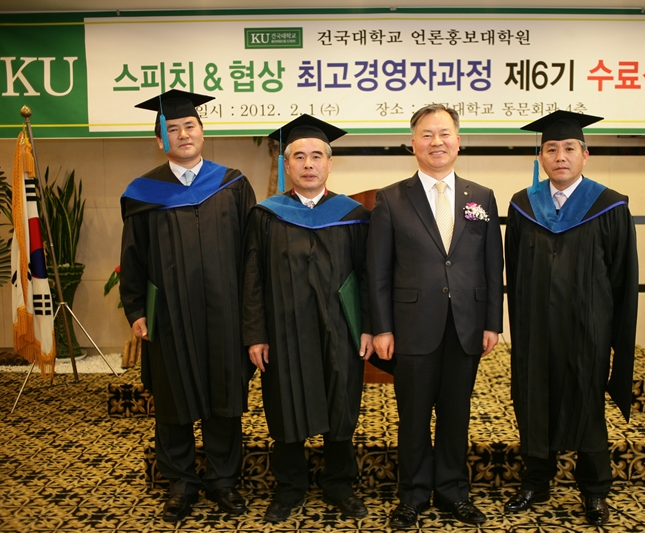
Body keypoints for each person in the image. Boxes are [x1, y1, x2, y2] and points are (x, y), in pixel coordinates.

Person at [119, 89, 256, 523]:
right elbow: (133, 257)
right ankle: (180, 483)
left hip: (225, 313)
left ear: (202, 131)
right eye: (172, 128)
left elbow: (252, 254)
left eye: (189, 126)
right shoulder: (144, 192)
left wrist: (252, 316)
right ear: (160, 139)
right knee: (173, 400)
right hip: (170, 315)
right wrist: (136, 310)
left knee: (224, 398)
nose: (183, 134)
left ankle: (223, 480)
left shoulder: (232, 183)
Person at [367, 104, 503, 529]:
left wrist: (493, 322)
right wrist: (382, 327)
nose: (437, 142)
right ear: (413, 144)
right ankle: (411, 495)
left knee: (456, 415)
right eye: (427, 135)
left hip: (466, 325)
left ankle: (452, 492)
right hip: (411, 327)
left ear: (458, 141)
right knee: (413, 417)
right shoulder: (391, 198)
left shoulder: (482, 197)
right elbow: (378, 270)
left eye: (444, 133)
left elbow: (492, 264)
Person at [504, 110, 639, 526]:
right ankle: (536, 480)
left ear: (585, 154)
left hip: (587, 331)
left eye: (568, 148)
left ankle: (595, 490)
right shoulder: (524, 205)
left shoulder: (609, 205)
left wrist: (613, 336)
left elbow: (622, 278)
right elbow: (513, 273)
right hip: (535, 331)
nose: (559, 156)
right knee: (534, 400)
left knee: (587, 405)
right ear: (540, 157)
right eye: (551, 149)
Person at [242, 115, 373, 523]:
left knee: (341, 402)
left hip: (340, 329)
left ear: (330, 163)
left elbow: (368, 276)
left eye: (317, 156)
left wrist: (368, 326)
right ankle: (289, 487)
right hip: (284, 331)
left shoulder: (353, 215)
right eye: (299, 156)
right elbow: (252, 277)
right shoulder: (266, 215)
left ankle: (339, 483)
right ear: (287, 164)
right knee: (285, 402)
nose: (309, 164)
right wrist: (255, 334)